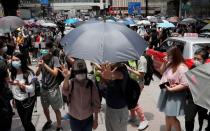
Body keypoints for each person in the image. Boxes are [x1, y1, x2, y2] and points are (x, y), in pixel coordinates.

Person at [62, 59, 101, 131]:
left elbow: (96, 104)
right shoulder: (71, 82)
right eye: (78, 72)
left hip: (88, 118)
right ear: (74, 73)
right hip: (74, 118)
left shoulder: (91, 84)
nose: (80, 74)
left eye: (82, 71)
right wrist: (66, 78)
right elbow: (65, 91)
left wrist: (96, 120)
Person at [157, 46, 189, 131]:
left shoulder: (182, 67)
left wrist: (172, 89)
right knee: (168, 115)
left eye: (169, 55)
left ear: (175, 56)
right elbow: (161, 71)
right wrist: (164, 62)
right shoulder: (170, 63)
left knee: (172, 117)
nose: (167, 57)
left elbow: (185, 84)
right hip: (166, 91)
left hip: (175, 95)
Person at [35, 41, 63, 131]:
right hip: (44, 88)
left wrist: (45, 65)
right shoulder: (41, 58)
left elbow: (55, 73)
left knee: (56, 109)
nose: (43, 50)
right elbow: (37, 73)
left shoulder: (55, 59)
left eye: (45, 49)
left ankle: (59, 126)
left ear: (50, 50)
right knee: (45, 108)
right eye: (42, 49)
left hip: (53, 89)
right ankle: (48, 121)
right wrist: (39, 66)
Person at [10, 52, 36, 131]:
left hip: (28, 100)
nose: (14, 62)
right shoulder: (13, 73)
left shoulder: (29, 73)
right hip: (18, 100)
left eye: (16, 60)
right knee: (23, 121)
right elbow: (14, 88)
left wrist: (20, 85)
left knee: (27, 121)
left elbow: (32, 88)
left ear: (22, 60)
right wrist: (14, 99)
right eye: (13, 60)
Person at [185, 48, 210, 131]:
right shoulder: (192, 67)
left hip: (204, 100)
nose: (195, 61)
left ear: (205, 60)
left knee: (202, 119)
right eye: (194, 58)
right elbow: (189, 80)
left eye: (198, 59)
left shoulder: (208, 70)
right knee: (188, 119)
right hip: (192, 98)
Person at [100, 63, 129, 131]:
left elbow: (120, 75)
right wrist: (104, 77)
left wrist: (110, 76)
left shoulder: (122, 67)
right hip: (109, 108)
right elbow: (107, 82)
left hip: (119, 110)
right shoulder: (111, 68)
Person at [125, 57, 149, 130]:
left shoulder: (141, 59)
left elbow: (141, 74)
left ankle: (143, 120)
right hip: (130, 83)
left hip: (137, 84)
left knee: (134, 102)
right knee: (130, 101)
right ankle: (133, 117)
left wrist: (129, 69)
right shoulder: (130, 57)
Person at [0, 40, 13, 131]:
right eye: (4, 46)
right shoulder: (1, 63)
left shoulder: (2, 59)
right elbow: (7, 79)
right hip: (2, 92)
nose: (5, 47)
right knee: (6, 116)